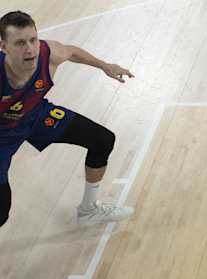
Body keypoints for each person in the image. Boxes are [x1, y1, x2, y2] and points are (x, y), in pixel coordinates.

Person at [1, 10, 134, 230]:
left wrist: (105, 66)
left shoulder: (48, 53)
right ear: (4, 47)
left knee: (102, 140)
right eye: (20, 43)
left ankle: (88, 210)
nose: (30, 49)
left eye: (33, 39)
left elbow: (72, 53)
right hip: (2, 136)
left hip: (36, 115)